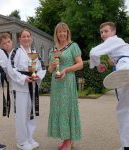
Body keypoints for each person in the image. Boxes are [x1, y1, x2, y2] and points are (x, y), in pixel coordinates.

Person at [89, 21, 129, 150]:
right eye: (101, 32)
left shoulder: (113, 41)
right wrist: (112, 62)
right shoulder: (119, 43)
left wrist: (97, 64)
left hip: (124, 65)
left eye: (106, 31)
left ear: (113, 32)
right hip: (122, 67)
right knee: (124, 110)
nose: (103, 34)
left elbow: (93, 52)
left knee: (123, 110)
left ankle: (126, 145)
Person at [7, 28, 46, 150]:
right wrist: (24, 78)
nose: (26, 38)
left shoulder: (34, 52)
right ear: (19, 39)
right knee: (21, 114)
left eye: (28, 36)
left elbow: (42, 67)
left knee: (31, 114)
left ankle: (30, 138)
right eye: (23, 36)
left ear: (31, 38)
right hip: (20, 88)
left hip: (32, 87)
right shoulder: (16, 51)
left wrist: (38, 76)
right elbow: (11, 68)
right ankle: (22, 141)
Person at [48, 22, 83, 150]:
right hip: (56, 83)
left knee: (66, 109)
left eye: (64, 31)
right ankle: (66, 139)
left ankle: (68, 143)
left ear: (67, 32)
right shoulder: (53, 49)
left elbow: (80, 64)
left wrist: (66, 70)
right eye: (59, 31)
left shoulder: (73, 46)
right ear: (56, 34)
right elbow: (50, 70)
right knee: (59, 110)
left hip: (67, 81)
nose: (62, 33)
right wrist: (51, 66)